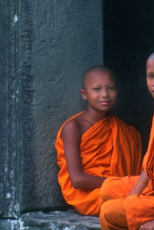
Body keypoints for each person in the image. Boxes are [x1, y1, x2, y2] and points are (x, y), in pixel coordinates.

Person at [55, 66, 142, 216]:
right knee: (140, 199)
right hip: (90, 196)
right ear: (84, 94)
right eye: (96, 89)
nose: (105, 94)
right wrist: (121, 184)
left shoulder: (125, 131)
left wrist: (126, 185)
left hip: (122, 190)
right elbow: (77, 180)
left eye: (111, 88)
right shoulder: (74, 127)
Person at [100, 49, 154, 230]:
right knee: (107, 188)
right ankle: (137, 206)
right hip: (153, 187)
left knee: (108, 212)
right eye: (150, 76)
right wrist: (132, 199)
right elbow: (150, 165)